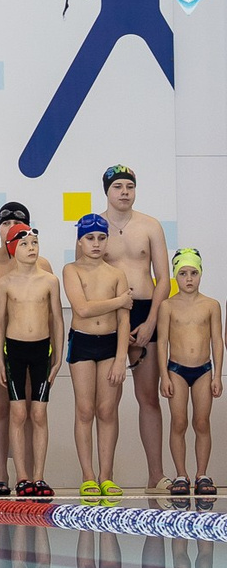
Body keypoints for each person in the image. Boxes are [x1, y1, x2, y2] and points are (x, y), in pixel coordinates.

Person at [101, 165, 173, 490]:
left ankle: (156, 475)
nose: (125, 192)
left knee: (148, 398)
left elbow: (164, 279)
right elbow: (88, 276)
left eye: (130, 186)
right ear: (107, 190)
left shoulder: (150, 226)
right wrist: (115, 318)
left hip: (146, 312)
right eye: (118, 186)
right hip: (111, 314)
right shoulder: (94, 226)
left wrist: (151, 321)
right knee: (108, 403)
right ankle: (106, 476)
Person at [63, 214, 134, 498]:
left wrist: (120, 358)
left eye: (101, 238)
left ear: (107, 241)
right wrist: (120, 300)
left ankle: (106, 474)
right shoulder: (71, 270)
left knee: (107, 410)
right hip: (81, 342)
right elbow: (81, 309)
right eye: (90, 238)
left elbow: (124, 321)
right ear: (80, 241)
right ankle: (88, 475)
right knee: (85, 410)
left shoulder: (117, 273)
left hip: (109, 345)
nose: (96, 243)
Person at [0, 219, 62, 498]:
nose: (31, 248)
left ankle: (39, 477)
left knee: (39, 413)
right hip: (14, 351)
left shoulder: (50, 281)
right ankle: (22, 477)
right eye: (24, 244)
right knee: (18, 413)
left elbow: (57, 319)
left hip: (41, 350)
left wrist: (57, 358)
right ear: (12, 249)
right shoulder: (4, 283)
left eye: (34, 243)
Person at [155, 249, 220, 495]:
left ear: (201, 274)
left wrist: (217, 376)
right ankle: (181, 474)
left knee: (202, 422)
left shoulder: (211, 305)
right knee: (179, 422)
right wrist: (164, 375)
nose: (189, 278)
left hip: (204, 370)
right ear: (175, 276)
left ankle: (201, 474)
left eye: (194, 273)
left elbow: (217, 342)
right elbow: (162, 342)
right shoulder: (167, 306)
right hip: (176, 370)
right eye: (183, 273)